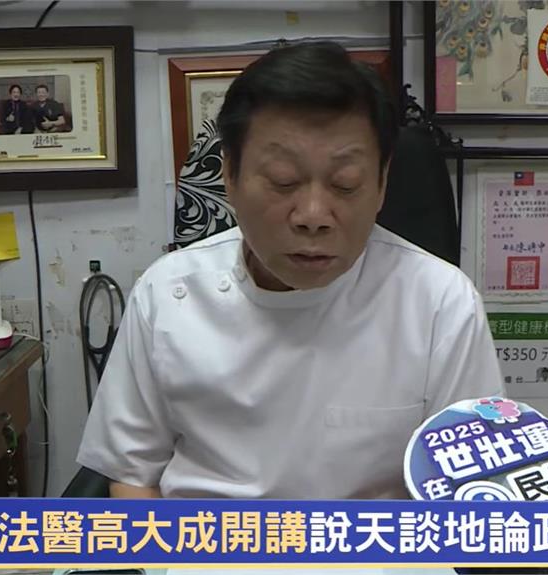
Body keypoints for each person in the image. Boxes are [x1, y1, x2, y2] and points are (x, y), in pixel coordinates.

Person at [77, 42, 505, 499]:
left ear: (382, 184)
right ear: (230, 177)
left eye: (346, 185)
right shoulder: (167, 294)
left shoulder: (440, 303)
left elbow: (474, 490)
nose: (313, 215)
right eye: (283, 181)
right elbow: (133, 473)